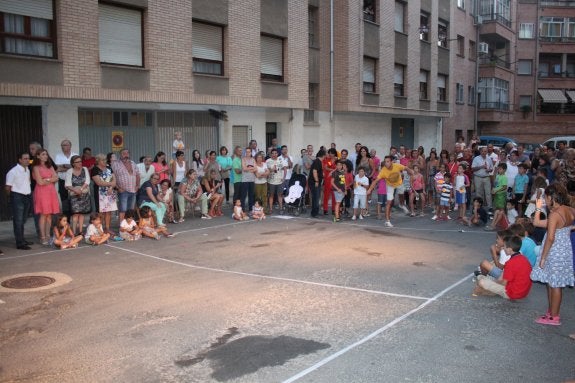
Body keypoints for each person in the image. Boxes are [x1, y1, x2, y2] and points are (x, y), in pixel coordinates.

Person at [530, 184, 575, 326]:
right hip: (564, 250)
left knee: (555, 284)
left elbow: (550, 238)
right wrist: (570, 227)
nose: (545, 201)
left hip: (554, 251)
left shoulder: (555, 214)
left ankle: (554, 317)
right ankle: (551, 312)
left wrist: (543, 257)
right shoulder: (569, 209)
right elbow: (537, 222)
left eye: (545, 198)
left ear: (550, 197)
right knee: (552, 281)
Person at [474, 235, 532, 300]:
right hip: (524, 292)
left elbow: (503, 283)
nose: (502, 248)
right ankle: (487, 286)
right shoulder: (524, 258)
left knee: (481, 281)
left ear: (510, 249)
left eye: (504, 247)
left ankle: (487, 290)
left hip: (512, 293)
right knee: (488, 279)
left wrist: (493, 283)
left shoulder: (510, 263)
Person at [367, 155, 414, 227]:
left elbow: (406, 168)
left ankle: (401, 205)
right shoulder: (383, 171)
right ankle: (387, 221)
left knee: (401, 195)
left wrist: (411, 171)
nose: (386, 163)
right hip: (390, 186)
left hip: (399, 183)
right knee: (389, 202)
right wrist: (370, 189)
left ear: (392, 162)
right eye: (385, 162)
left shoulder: (397, 166)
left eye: (388, 161)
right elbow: (375, 181)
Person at [32, 149, 60, 245]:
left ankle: (48, 235)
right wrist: (50, 179)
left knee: (49, 215)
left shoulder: (50, 166)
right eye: (43, 154)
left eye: (46, 154)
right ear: (38, 156)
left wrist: (46, 179)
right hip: (41, 192)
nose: (45, 156)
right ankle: (42, 236)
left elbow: (56, 177)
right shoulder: (36, 167)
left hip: (51, 191)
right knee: (43, 214)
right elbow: (39, 182)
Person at [5, 152, 33, 250]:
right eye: (25, 158)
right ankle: (20, 243)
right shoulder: (13, 171)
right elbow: (8, 187)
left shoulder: (27, 170)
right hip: (17, 196)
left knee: (23, 219)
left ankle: (22, 239)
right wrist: (12, 198)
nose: (27, 160)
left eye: (28, 158)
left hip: (26, 196)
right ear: (20, 160)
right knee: (18, 220)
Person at [91, 153, 117, 235]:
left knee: (108, 212)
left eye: (105, 159)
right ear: (98, 161)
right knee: (101, 212)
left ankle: (107, 228)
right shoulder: (95, 169)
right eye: (103, 160)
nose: (105, 161)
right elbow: (99, 182)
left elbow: (114, 180)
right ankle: (99, 228)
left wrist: (111, 188)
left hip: (110, 192)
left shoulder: (109, 168)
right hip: (100, 193)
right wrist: (110, 185)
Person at [65, 155, 91, 235]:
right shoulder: (69, 171)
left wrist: (81, 189)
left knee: (82, 213)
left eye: (80, 161)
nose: (80, 163)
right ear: (73, 163)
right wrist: (75, 190)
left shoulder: (85, 169)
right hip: (74, 194)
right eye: (78, 162)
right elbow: (67, 185)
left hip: (83, 194)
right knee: (75, 214)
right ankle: (74, 231)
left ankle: (80, 231)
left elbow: (87, 181)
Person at [55, 139, 78, 218]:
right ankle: (66, 219)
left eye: (64, 145)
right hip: (63, 181)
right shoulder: (58, 156)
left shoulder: (75, 155)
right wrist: (69, 166)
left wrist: (63, 166)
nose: (62, 147)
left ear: (70, 146)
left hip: (74, 181)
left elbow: (77, 167)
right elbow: (57, 169)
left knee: (74, 200)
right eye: (62, 145)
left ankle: (74, 219)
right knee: (64, 200)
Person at [484, 163, 508, 230]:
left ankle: (495, 224)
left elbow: (504, 187)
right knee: (497, 209)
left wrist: (497, 191)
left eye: (500, 169)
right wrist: (493, 189)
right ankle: (495, 224)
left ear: (504, 170)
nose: (499, 170)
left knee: (501, 210)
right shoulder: (498, 176)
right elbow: (496, 184)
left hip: (501, 195)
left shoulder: (504, 177)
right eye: (498, 169)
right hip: (497, 195)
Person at [266, 148, 285, 214]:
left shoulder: (280, 160)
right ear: (271, 154)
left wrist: (284, 177)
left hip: (280, 181)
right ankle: (271, 209)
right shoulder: (268, 161)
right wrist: (272, 170)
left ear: (277, 154)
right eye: (273, 153)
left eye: (275, 153)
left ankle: (281, 209)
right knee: (271, 195)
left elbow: (284, 168)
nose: (274, 154)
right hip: (271, 181)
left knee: (280, 195)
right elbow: (267, 170)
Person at [170, 150, 187, 220]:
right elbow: (174, 173)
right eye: (181, 155)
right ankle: (177, 211)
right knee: (176, 197)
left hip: (183, 181)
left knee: (183, 195)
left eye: (183, 155)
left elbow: (185, 172)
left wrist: (186, 181)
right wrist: (173, 182)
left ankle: (181, 211)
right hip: (177, 181)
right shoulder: (174, 162)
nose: (183, 157)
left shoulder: (184, 162)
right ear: (177, 156)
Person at [309, 149, 325, 218]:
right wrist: (317, 181)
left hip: (316, 182)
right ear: (323, 155)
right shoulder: (317, 162)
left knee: (317, 197)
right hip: (314, 182)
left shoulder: (318, 161)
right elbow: (314, 171)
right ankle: (314, 213)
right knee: (315, 197)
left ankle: (316, 212)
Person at [241, 146, 256, 212]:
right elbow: (244, 169)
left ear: (251, 152)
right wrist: (251, 168)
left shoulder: (253, 159)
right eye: (246, 152)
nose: (247, 153)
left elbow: (255, 168)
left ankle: (250, 209)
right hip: (245, 180)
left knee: (251, 195)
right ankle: (243, 209)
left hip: (252, 180)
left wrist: (248, 168)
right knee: (243, 195)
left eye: (249, 152)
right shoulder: (243, 159)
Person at [322, 148, 338, 215]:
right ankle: (325, 209)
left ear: (335, 153)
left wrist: (332, 170)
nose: (331, 154)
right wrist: (333, 170)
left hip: (335, 178)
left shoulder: (337, 160)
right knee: (326, 194)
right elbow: (326, 167)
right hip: (328, 178)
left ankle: (334, 209)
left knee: (334, 194)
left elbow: (339, 168)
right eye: (329, 153)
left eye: (332, 153)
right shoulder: (328, 160)